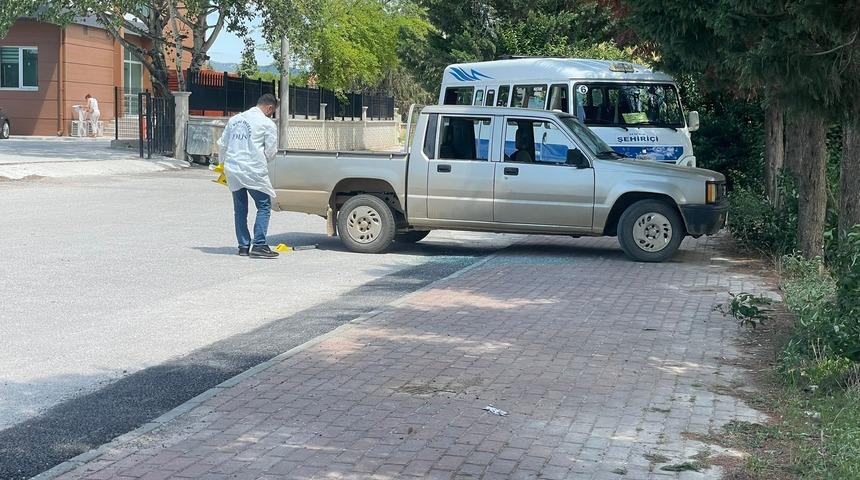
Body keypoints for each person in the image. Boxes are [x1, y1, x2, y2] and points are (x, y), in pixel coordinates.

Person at [217, 94, 280, 259]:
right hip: (253, 169)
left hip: (232, 168)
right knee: (264, 206)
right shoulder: (267, 123)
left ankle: (243, 246)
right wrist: (262, 159)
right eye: (272, 112)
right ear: (269, 108)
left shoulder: (235, 119)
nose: (271, 114)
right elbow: (271, 151)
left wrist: (222, 164)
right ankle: (259, 244)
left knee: (240, 209)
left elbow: (222, 144)